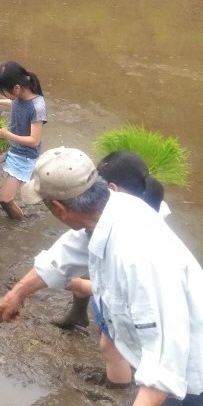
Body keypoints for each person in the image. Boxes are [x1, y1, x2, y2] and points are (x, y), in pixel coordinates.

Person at [0, 147, 203, 406]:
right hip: (160, 359)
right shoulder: (112, 207)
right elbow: (65, 254)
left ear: (59, 208)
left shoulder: (137, 257)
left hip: (188, 377)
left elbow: (163, 374)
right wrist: (16, 294)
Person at [53, 151, 171, 389]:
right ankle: (78, 314)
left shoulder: (132, 236)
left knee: (111, 347)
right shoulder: (150, 203)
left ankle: (117, 387)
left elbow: (119, 292)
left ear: (114, 190)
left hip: (138, 307)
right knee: (84, 267)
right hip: (134, 295)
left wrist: (71, 283)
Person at [0, 61, 47, 221]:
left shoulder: (37, 107)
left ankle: (20, 223)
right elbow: (15, 102)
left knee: (5, 200)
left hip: (24, 156)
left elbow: (34, 141)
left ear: (16, 88)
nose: (4, 96)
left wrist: (7, 135)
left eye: (3, 92)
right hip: (9, 147)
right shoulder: (21, 95)